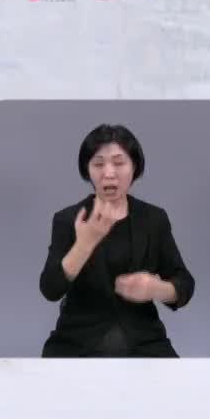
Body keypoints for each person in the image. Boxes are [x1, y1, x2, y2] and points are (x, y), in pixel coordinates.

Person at [37, 123, 195, 357]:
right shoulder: (68, 219)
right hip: (76, 343)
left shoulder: (154, 218)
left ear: (134, 168)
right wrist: (84, 244)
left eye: (119, 163)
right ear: (87, 170)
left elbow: (185, 283)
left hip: (145, 343)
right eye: (98, 164)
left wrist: (155, 288)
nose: (108, 172)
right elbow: (50, 289)